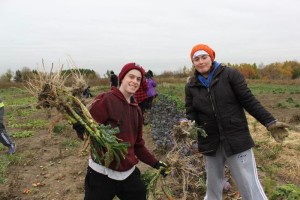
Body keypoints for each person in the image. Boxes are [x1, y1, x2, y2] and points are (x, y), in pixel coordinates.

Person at [185, 44, 290, 200]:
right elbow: (191, 112)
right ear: (193, 62)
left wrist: (270, 122)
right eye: (196, 59)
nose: (201, 62)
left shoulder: (229, 75)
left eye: (204, 57)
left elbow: (249, 100)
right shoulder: (191, 85)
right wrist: (186, 125)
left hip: (236, 139)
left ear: (211, 57)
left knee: (249, 185)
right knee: (212, 186)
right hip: (210, 142)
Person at [73, 62, 168, 200]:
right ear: (122, 78)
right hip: (102, 174)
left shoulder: (136, 110)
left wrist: (156, 163)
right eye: (131, 77)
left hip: (127, 173)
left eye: (138, 79)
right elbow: (88, 134)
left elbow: (138, 145)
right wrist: (81, 128)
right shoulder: (105, 100)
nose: (134, 81)